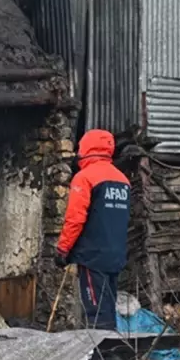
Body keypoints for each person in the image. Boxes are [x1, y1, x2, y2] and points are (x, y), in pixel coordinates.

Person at [54, 128, 131, 330]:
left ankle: (101, 359)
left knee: (96, 310)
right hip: (115, 255)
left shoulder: (85, 177)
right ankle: (108, 356)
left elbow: (75, 219)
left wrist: (63, 250)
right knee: (107, 307)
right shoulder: (123, 180)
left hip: (92, 255)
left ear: (86, 148)